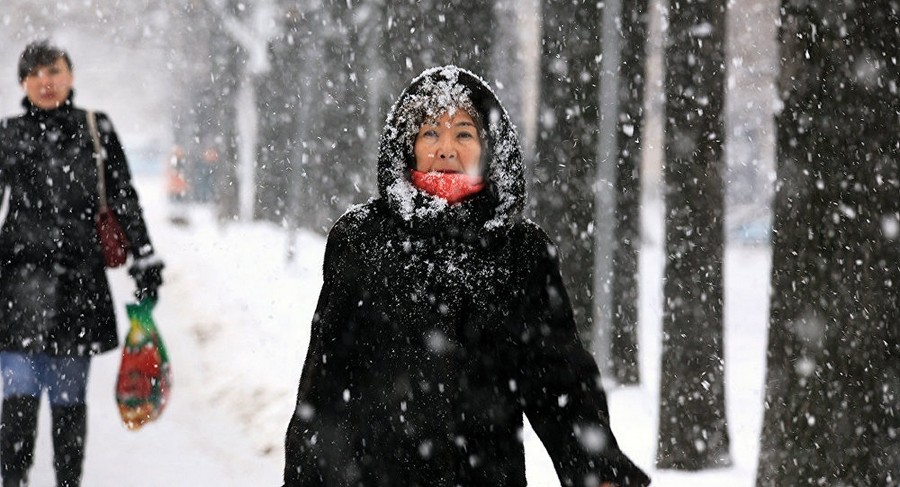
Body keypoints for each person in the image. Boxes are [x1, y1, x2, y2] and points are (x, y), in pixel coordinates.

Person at [283, 66, 649, 487]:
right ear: (408, 145)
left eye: (463, 134)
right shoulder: (362, 240)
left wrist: (596, 466)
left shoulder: (520, 252)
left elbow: (557, 380)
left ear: (489, 147)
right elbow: (326, 385)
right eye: (429, 133)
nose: (446, 149)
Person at [0, 40, 164, 487]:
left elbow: (124, 197)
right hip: (18, 285)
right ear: (22, 83)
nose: (45, 81)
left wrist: (144, 256)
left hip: (79, 286)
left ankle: (67, 482)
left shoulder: (96, 129)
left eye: (53, 71)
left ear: (70, 76)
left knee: (69, 401)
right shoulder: (7, 134)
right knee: (17, 397)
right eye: (34, 74)